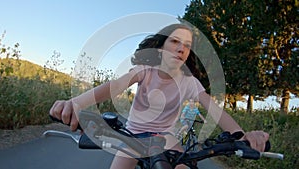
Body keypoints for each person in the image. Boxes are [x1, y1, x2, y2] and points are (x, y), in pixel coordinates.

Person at [49, 23, 269, 169]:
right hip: (132, 135)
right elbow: (114, 86)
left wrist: (241, 136)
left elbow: (214, 110)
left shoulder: (190, 82)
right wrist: (76, 102)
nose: (181, 48)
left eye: (187, 46)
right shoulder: (145, 71)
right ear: (161, 46)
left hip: (165, 137)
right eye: (174, 41)